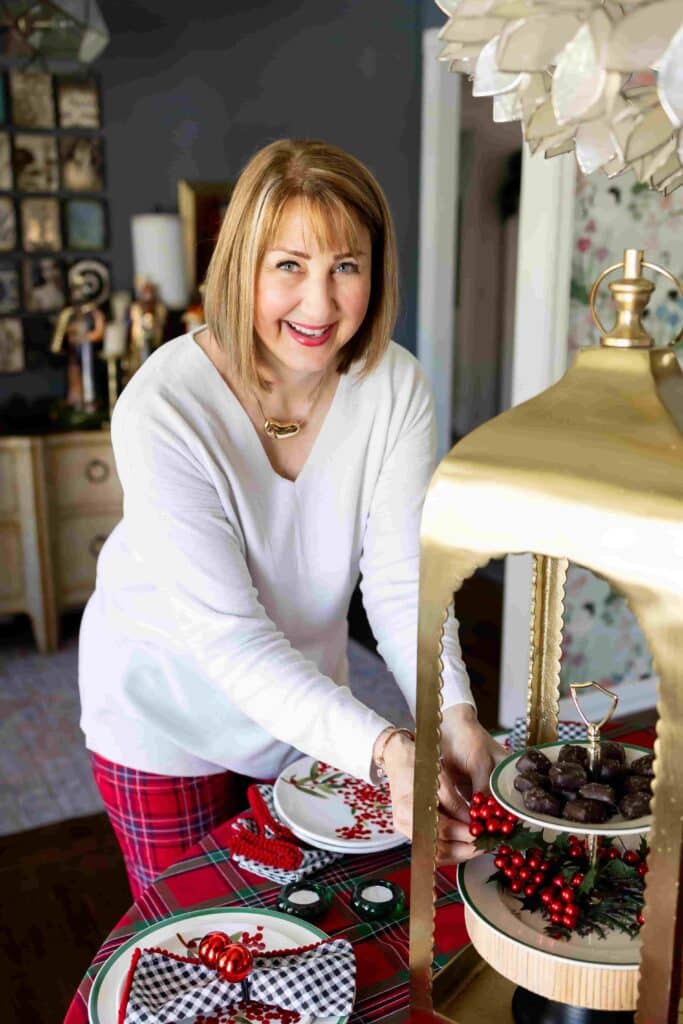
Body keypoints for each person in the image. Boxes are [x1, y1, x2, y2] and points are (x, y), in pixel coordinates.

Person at [79, 139, 504, 900]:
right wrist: (384, 746)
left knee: (305, 914)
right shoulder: (165, 406)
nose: (319, 304)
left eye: (345, 266)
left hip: (303, 708)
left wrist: (455, 717)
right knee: (190, 930)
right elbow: (227, 637)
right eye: (289, 266)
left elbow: (403, 581)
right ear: (241, 265)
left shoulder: (393, 386)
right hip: (161, 710)